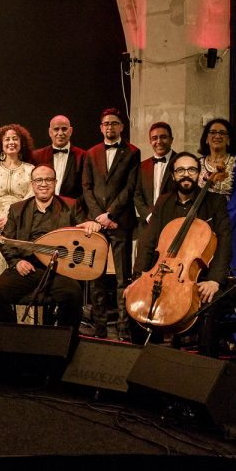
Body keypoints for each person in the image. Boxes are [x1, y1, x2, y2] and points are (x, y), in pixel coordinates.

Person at [131, 152, 232, 350]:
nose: (186, 174)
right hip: (162, 274)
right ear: (173, 175)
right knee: (136, 304)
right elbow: (148, 242)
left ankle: (203, 363)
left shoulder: (215, 201)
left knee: (209, 306)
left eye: (192, 169)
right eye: (180, 170)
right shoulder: (164, 202)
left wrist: (215, 280)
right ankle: (143, 359)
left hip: (201, 277)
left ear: (199, 173)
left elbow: (225, 242)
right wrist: (138, 278)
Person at [0, 165, 101, 328]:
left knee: (73, 295)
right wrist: (17, 262)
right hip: (28, 268)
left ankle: (62, 340)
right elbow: (7, 242)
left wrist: (91, 225)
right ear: (32, 184)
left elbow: (84, 228)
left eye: (48, 180)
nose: (43, 184)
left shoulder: (71, 206)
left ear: (55, 183)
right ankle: (12, 338)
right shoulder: (17, 209)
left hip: (60, 270)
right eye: (39, 180)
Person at [82, 107, 141, 339]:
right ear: (101, 127)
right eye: (106, 123)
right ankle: (99, 328)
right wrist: (99, 217)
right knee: (95, 277)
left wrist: (111, 215)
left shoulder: (133, 152)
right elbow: (86, 188)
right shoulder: (91, 153)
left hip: (120, 222)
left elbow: (130, 187)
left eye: (114, 123)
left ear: (121, 127)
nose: (110, 127)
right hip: (96, 223)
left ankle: (123, 328)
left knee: (122, 277)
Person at [0, 123, 36, 330]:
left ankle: (21, 326)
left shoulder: (30, 170)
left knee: (18, 274)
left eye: (15, 139)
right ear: (0, 145)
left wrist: (11, 217)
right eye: (7, 139)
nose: (11, 142)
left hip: (20, 227)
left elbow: (31, 196)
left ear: (22, 143)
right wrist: (1, 218)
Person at [197, 117, 236, 330]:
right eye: (212, 132)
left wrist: (220, 226)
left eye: (222, 133)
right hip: (203, 230)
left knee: (235, 276)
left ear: (229, 139)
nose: (217, 136)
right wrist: (204, 228)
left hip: (232, 228)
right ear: (206, 138)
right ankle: (203, 330)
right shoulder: (198, 164)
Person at [132, 121, 176, 235]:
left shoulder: (181, 162)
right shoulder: (142, 166)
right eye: (154, 138)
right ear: (150, 141)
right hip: (147, 226)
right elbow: (137, 194)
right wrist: (148, 216)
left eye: (163, 137)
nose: (159, 141)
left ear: (171, 139)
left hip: (174, 224)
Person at [31, 115, 86, 202]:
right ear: (50, 132)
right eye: (56, 129)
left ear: (70, 131)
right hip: (42, 206)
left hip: (73, 207)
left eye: (64, 129)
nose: (60, 133)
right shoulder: (37, 156)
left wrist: (74, 206)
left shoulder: (83, 156)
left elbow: (87, 187)